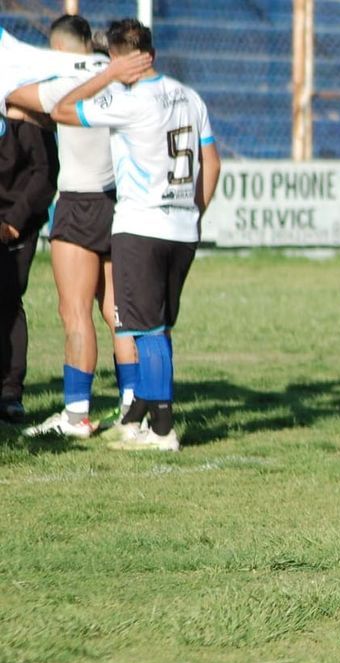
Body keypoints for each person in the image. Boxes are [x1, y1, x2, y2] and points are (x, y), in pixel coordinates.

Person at [50, 18, 221, 451]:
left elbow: (61, 110)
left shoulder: (129, 100)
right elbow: (212, 164)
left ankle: (161, 430)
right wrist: (191, 214)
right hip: (182, 227)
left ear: (119, 59)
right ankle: (139, 412)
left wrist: (106, 76)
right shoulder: (190, 96)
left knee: (146, 328)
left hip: (141, 227)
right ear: (152, 53)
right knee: (156, 325)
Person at [7, 14, 140, 439]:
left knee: (74, 311)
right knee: (118, 312)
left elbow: (15, 99)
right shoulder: (118, 75)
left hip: (79, 202)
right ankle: (131, 408)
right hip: (119, 200)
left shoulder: (64, 75)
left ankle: (76, 415)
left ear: (59, 48)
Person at [0, 102, 58, 423]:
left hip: (15, 223)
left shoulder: (25, 108)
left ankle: (10, 392)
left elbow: (45, 173)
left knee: (7, 299)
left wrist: (13, 222)